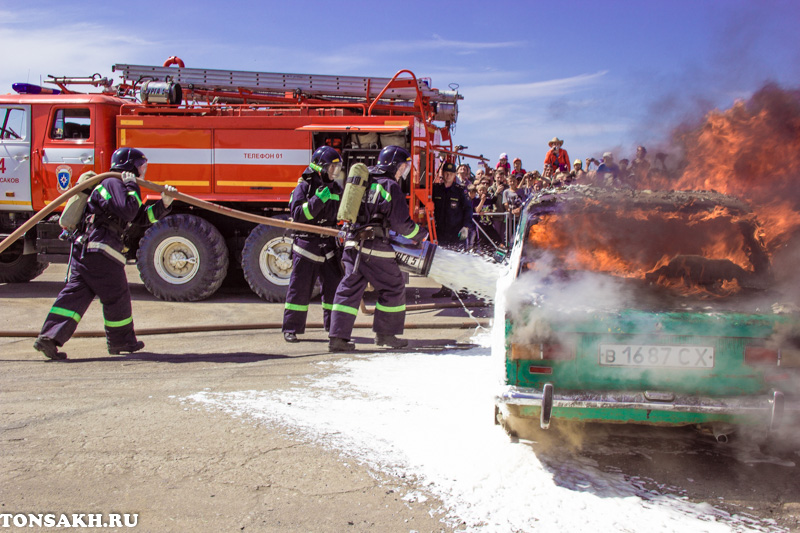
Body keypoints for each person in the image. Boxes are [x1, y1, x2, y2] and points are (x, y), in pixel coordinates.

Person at [33, 148, 176, 360]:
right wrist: (131, 184)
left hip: (86, 252)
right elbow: (128, 210)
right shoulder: (114, 183)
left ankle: (49, 337)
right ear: (129, 166)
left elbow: (139, 218)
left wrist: (164, 204)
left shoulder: (118, 186)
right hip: (100, 250)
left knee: (75, 296)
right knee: (117, 296)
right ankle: (121, 341)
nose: (142, 171)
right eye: (140, 166)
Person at [328, 146, 428, 352]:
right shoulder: (389, 186)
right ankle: (385, 336)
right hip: (374, 248)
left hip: (352, 245)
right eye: (402, 167)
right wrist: (421, 234)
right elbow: (402, 225)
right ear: (393, 165)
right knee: (393, 287)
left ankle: (337, 339)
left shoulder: (363, 182)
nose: (403, 172)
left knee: (348, 291)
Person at [282, 146, 344, 343]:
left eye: (337, 168)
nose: (334, 173)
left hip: (329, 247)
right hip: (307, 244)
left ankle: (333, 329)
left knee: (334, 289)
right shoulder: (303, 187)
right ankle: (291, 328)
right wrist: (318, 200)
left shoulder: (336, 189)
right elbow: (299, 216)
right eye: (331, 168)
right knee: (299, 289)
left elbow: (342, 214)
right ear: (319, 168)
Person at [431, 161, 473, 297]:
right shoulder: (436, 189)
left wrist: (466, 227)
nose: (448, 175)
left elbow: (468, 209)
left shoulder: (460, 190)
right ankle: (446, 288)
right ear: (442, 174)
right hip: (442, 231)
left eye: (451, 173)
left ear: (454, 175)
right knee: (444, 260)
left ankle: (461, 289)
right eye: (446, 173)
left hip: (456, 231)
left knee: (458, 260)